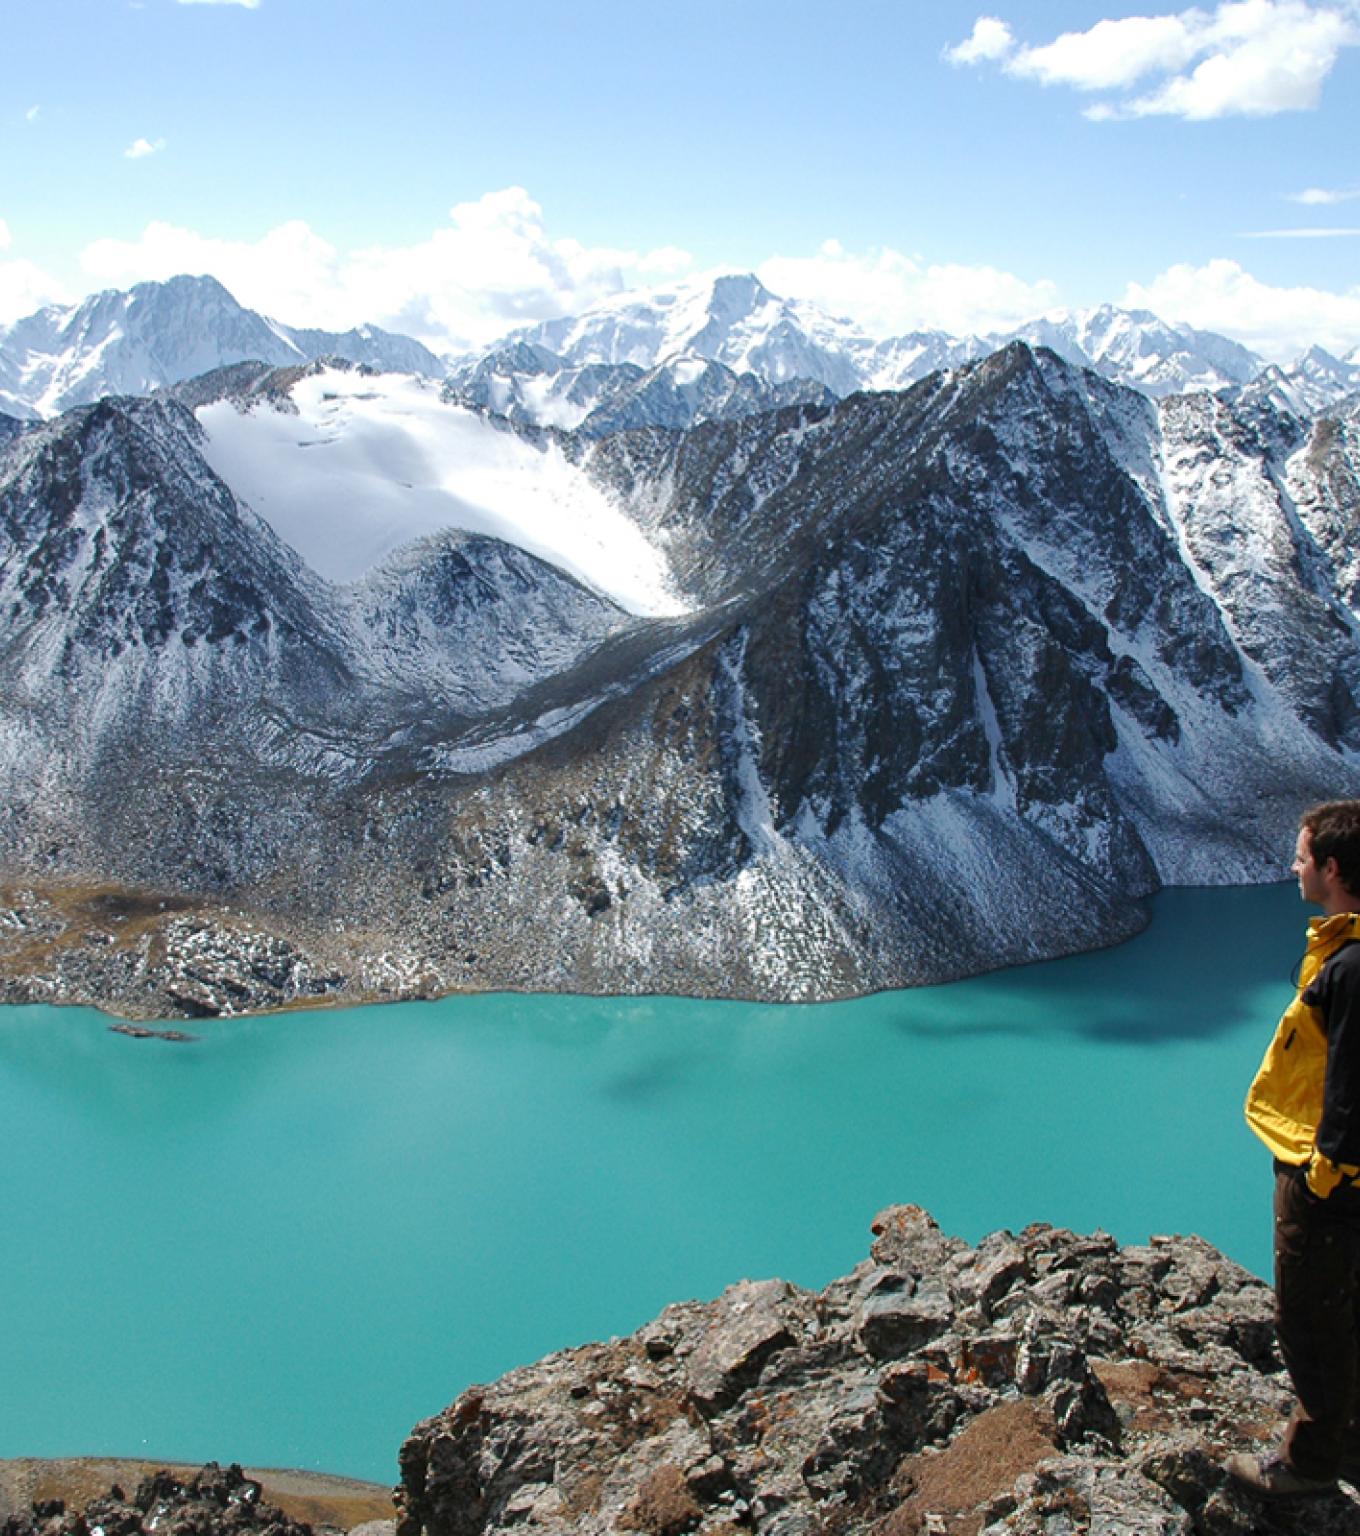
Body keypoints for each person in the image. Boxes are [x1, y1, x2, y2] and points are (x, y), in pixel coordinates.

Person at [1228, 800, 1360, 1499]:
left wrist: (1323, 1175)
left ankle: (1308, 1465)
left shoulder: (1352, 965)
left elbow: (1349, 1085)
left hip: (1327, 1176)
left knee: (1311, 1316)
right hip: (1334, 1167)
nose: (1294, 866)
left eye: (1304, 857)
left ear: (1333, 869)